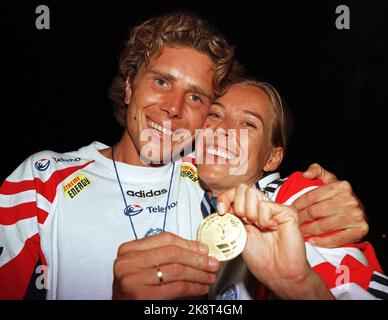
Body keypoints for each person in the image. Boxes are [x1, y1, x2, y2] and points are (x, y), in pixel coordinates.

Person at [0, 11, 368, 300]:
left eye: (196, 97)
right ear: (129, 86)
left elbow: (281, 195)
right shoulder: (42, 179)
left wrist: (324, 204)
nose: (173, 108)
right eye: (161, 81)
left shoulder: (213, 173)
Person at [196, 78, 387, 299]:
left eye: (248, 124)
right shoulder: (179, 175)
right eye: (215, 114)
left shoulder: (300, 199)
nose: (222, 129)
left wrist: (301, 287)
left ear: (272, 158)